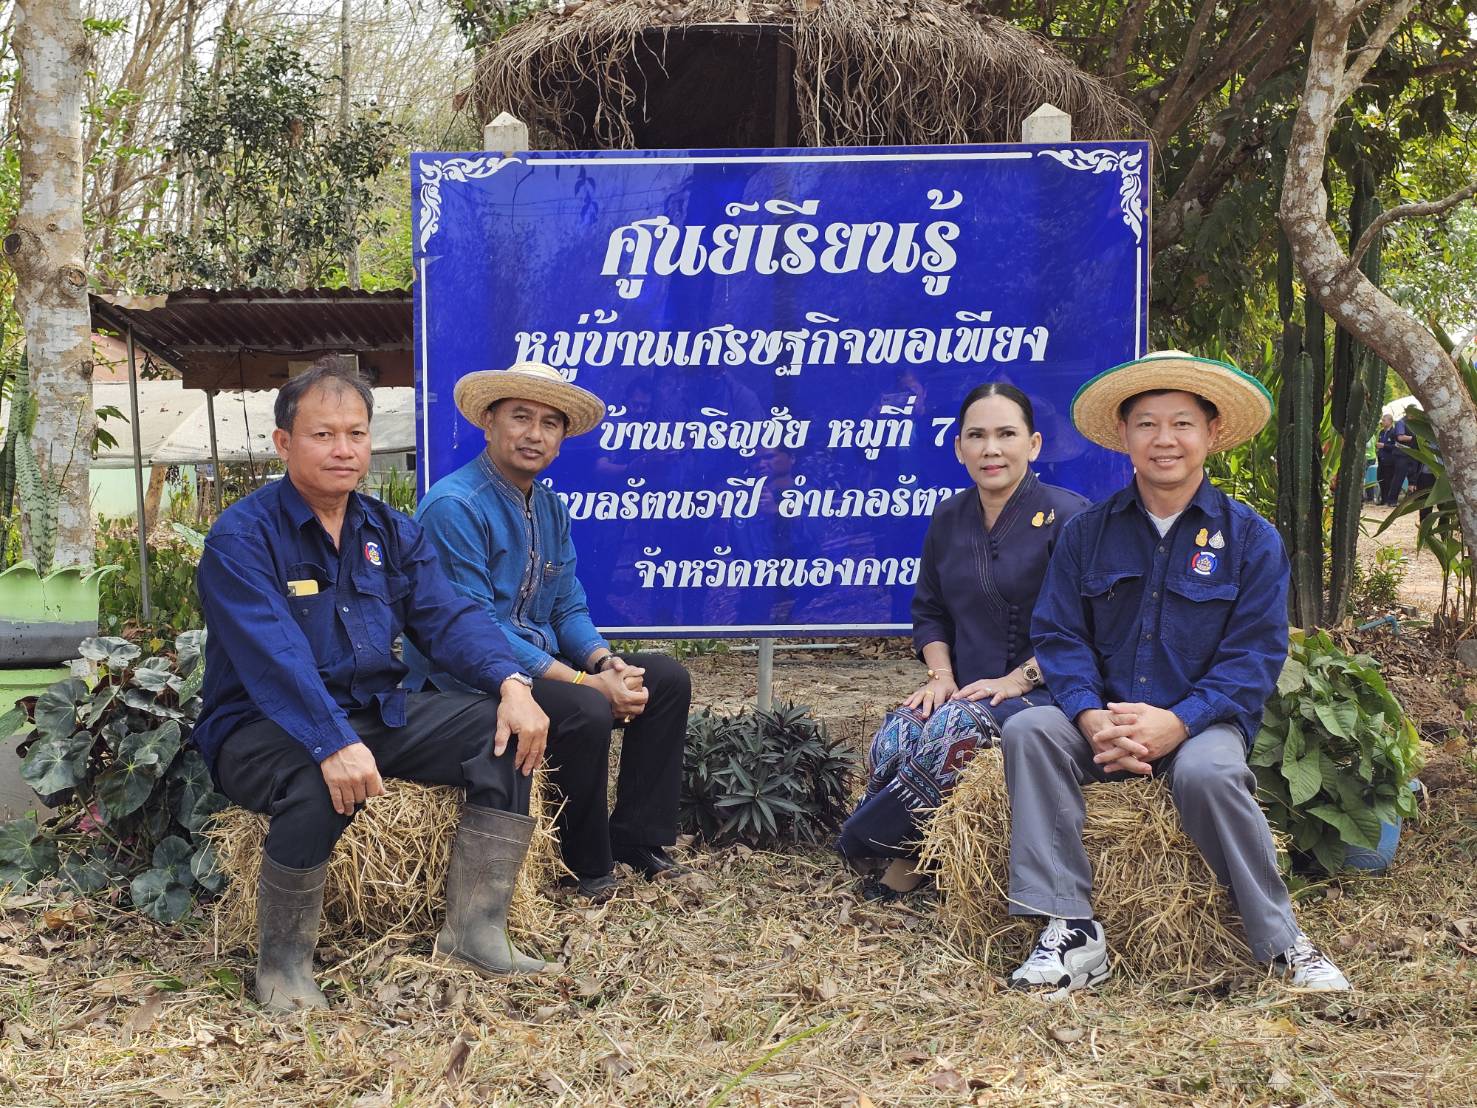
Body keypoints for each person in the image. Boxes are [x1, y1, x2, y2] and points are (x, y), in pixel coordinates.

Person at [194, 357, 552, 1014]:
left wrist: (510, 681)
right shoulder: (241, 537)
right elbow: (274, 656)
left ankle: (475, 930)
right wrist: (330, 741)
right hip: (261, 726)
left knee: (495, 731)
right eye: (323, 434)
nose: (343, 449)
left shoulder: (388, 530)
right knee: (314, 778)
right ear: (284, 443)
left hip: (372, 714)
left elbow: (447, 616)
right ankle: (282, 965)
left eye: (355, 434)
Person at [1002, 350, 1350, 996]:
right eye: (1146, 424)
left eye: (1182, 423)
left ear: (1211, 433)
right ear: (1125, 436)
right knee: (1029, 734)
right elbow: (1057, 634)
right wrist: (1086, 714)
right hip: (1101, 719)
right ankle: (1071, 928)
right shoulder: (1085, 534)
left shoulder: (1250, 540)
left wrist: (1178, 722)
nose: (1164, 440)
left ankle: (1281, 943)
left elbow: (1252, 660)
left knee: (1210, 772)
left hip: (1202, 723)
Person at [405, 362, 692, 901]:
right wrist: (585, 686)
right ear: (488, 423)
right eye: (520, 417)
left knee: (666, 679)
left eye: (550, 423)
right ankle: (583, 866)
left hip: (535, 664)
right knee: (586, 710)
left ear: (561, 439)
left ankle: (636, 837)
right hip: (467, 679)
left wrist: (605, 663)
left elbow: (567, 605)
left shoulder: (550, 506)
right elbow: (475, 629)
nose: (534, 434)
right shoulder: (454, 505)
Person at [835, 383, 1090, 888]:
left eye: (1005, 434)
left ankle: (867, 842)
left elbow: (1091, 626)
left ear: (1034, 444)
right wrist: (940, 675)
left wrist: (1020, 678)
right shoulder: (948, 517)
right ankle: (917, 852)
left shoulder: (1071, 517)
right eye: (976, 436)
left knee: (955, 729)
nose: (990, 449)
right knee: (900, 729)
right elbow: (929, 609)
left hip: (1048, 691)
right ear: (959, 448)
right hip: (966, 686)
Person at [1376, 412, 1412, 506]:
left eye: (1384, 420)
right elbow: (1399, 439)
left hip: (1391, 459)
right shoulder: (1382, 432)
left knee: (1391, 480)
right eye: (1382, 420)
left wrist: (1384, 446)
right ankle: (1385, 500)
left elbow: (1394, 445)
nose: (1382, 422)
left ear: (1390, 421)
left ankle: (1389, 499)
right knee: (1382, 479)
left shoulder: (1393, 432)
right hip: (1385, 459)